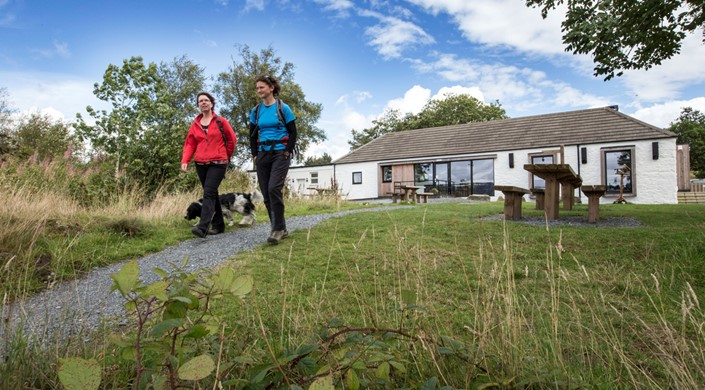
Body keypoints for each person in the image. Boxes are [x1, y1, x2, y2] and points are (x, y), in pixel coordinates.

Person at [249, 75, 297, 244]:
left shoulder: (283, 108)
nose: (259, 90)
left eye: (262, 87)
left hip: (280, 153)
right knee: (267, 194)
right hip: (263, 154)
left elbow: (293, 132)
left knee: (273, 189)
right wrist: (254, 154)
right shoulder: (256, 111)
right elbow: (252, 134)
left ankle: (276, 230)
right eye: (257, 88)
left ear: (271, 88)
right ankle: (280, 228)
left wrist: (288, 151)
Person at [181, 92, 237, 238]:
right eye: (200, 101)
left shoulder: (221, 121)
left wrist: (226, 155)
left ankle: (203, 226)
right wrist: (185, 160)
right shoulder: (195, 125)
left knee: (209, 192)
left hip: (218, 162)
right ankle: (219, 226)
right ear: (198, 105)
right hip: (201, 163)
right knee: (212, 193)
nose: (203, 103)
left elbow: (232, 140)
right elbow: (190, 144)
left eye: (206, 100)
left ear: (211, 104)